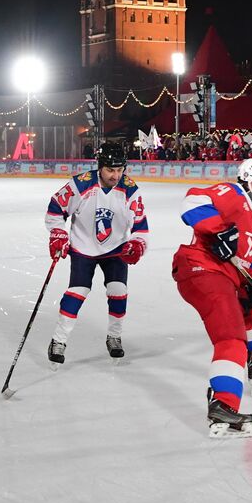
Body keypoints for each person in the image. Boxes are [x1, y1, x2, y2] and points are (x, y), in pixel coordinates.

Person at [172, 158, 252, 438]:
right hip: (201, 268)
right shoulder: (232, 194)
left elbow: (246, 259)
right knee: (231, 339)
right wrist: (218, 230)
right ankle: (223, 405)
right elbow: (193, 200)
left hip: (226, 274)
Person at [45, 142, 149, 363]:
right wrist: (58, 234)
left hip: (115, 249)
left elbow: (141, 226)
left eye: (120, 170)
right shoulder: (80, 185)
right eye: (111, 170)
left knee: (118, 291)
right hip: (83, 248)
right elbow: (56, 208)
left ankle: (115, 336)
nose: (116, 175)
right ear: (100, 167)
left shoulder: (130, 190)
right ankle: (58, 340)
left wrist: (138, 244)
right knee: (78, 291)